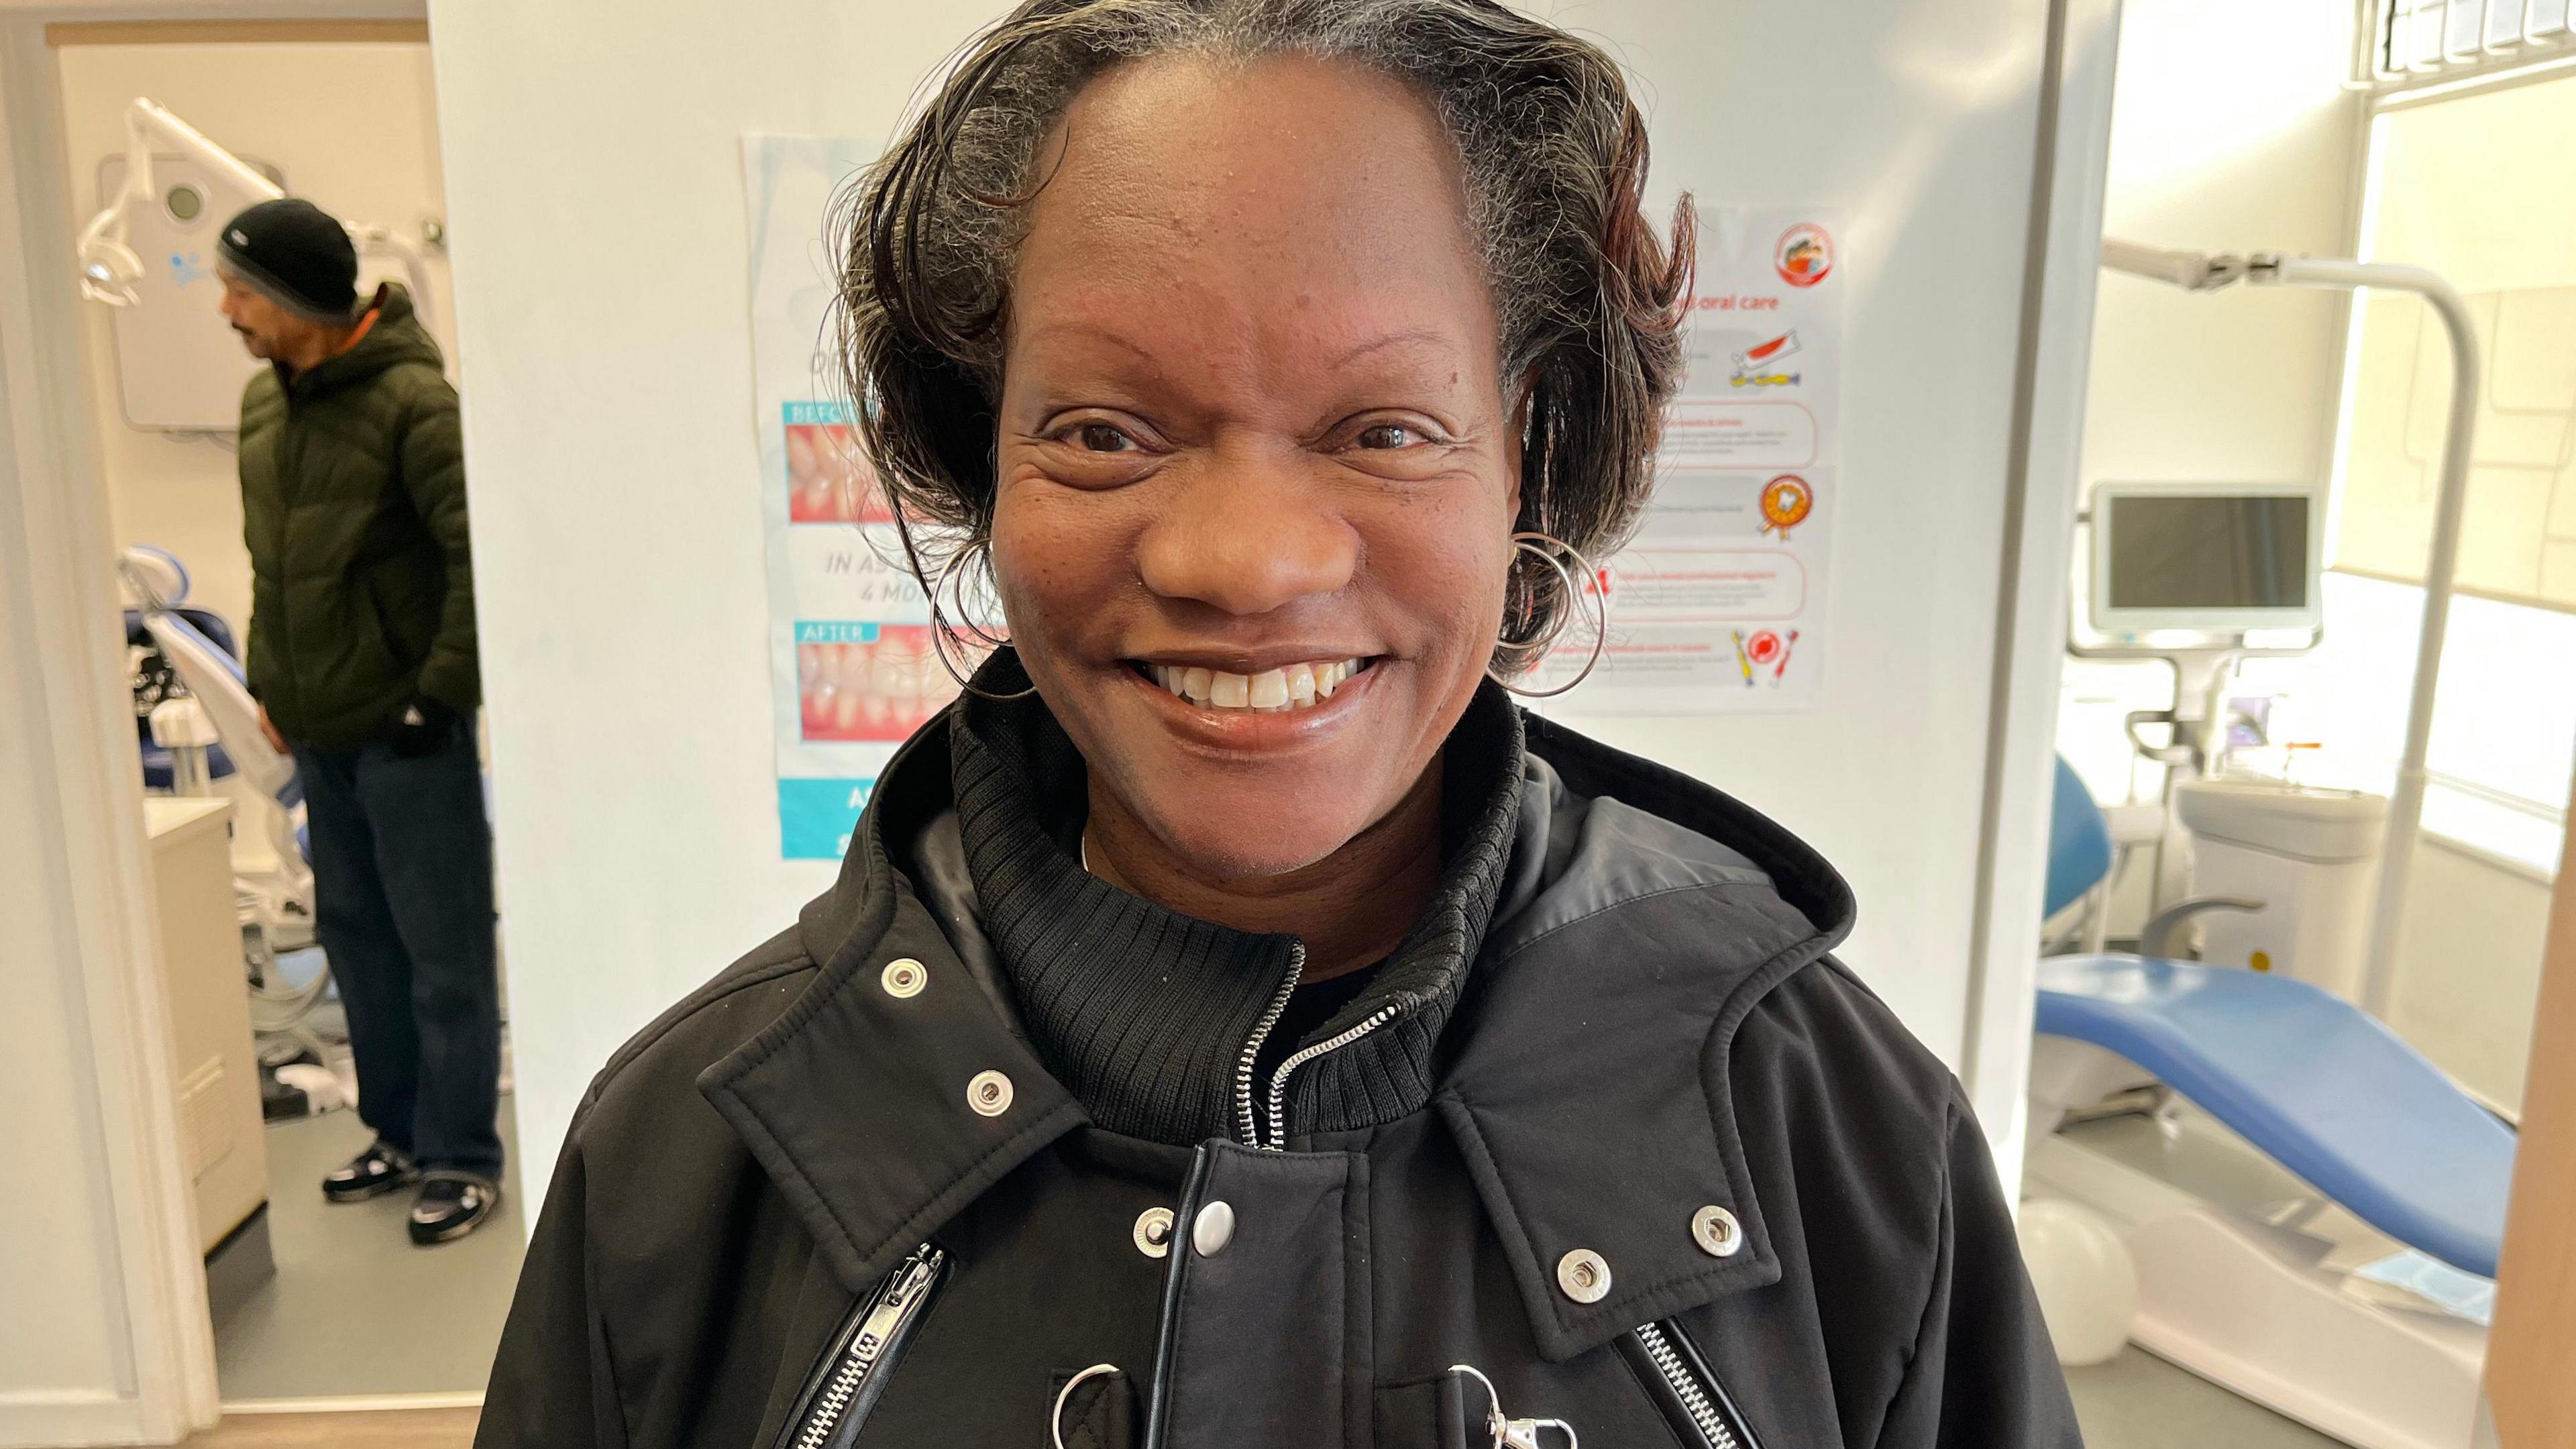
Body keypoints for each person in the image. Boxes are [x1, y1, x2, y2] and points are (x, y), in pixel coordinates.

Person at [480, 1, 2082, 1443]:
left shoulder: (1837, 1135)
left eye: (1381, 427)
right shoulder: (688, 1165)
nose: (1244, 563)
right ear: (983, 465)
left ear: (1524, 450)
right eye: (1106, 431)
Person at [219, 197, 502, 1245]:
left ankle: (463, 1156)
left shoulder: (416, 406)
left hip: (406, 734)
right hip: (320, 731)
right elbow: (272, 560)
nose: (227, 310)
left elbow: (479, 565)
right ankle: (394, 1130)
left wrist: (438, 695)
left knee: (442, 954)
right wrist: (267, 679)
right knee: (359, 945)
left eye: (242, 290)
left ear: (297, 297)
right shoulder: (264, 406)